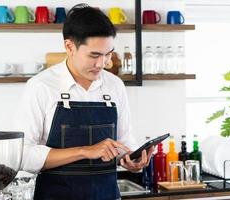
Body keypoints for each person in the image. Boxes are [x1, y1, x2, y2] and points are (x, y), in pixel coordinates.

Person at [13, 4, 153, 200]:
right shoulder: (41, 86)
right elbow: (23, 155)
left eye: (108, 54)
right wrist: (85, 151)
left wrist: (130, 159)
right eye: (94, 55)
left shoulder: (115, 86)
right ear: (69, 47)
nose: (103, 63)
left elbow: (124, 141)